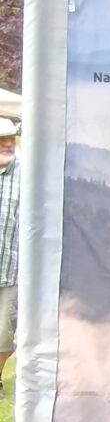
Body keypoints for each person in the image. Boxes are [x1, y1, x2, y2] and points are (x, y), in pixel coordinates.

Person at [0, 117, 19, 399]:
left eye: (11, 138)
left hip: (11, 268)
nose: (8, 144)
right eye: (2, 139)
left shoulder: (27, 171)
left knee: (5, 332)